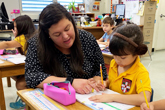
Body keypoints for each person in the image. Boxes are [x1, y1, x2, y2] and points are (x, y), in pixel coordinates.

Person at [25, 3, 107, 94]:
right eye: (57, 34)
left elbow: (100, 70)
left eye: (67, 28)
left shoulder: (87, 38)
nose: (65, 36)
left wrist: (96, 81)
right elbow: (31, 77)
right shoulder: (37, 43)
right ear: (47, 34)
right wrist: (70, 82)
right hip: (55, 97)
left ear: (72, 22)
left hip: (87, 96)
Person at [89, 22, 152, 106]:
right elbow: (112, 82)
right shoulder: (113, 63)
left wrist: (113, 97)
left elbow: (144, 98)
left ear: (136, 53)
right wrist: (105, 84)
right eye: (114, 55)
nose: (117, 60)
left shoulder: (140, 72)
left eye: (123, 57)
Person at [0, 15, 36, 109]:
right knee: (12, 73)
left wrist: (16, 37)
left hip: (37, 70)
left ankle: (27, 102)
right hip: (34, 67)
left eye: (15, 27)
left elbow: (7, 44)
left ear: (22, 27)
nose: (14, 29)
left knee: (19, 83)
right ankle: (28, 92)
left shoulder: (22, 38)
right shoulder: (31, 36)